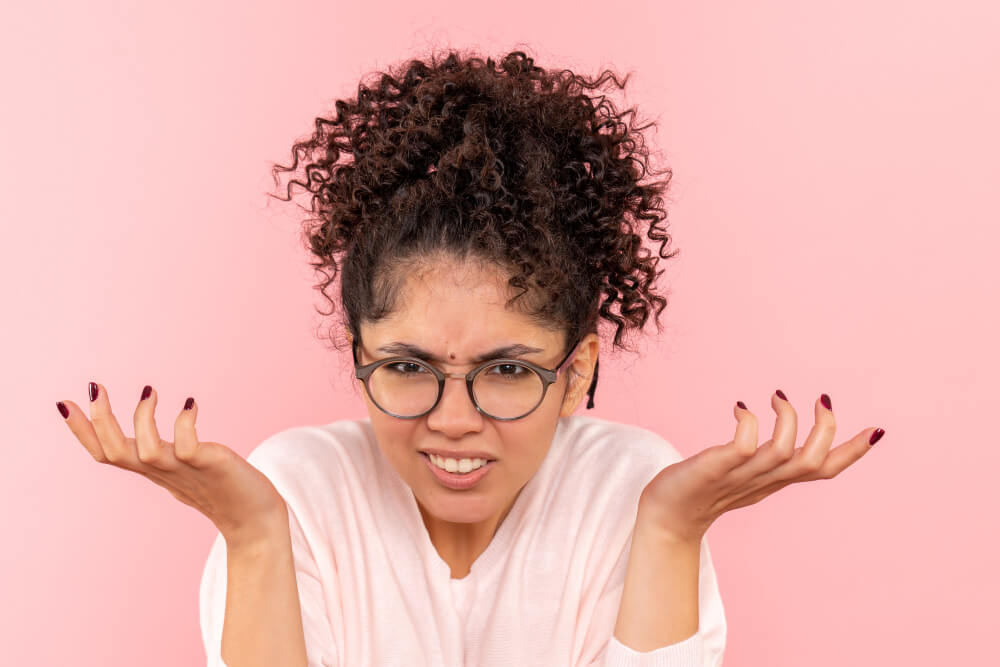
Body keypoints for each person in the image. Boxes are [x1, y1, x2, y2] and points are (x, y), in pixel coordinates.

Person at [56, 48, 884, 667]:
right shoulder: (296, 491)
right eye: (409, 366)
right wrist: (254, 532)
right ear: (358, 357)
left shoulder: (628, 489)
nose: (454, 421)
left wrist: (671, 527)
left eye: (510, 370)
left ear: (578, 370)